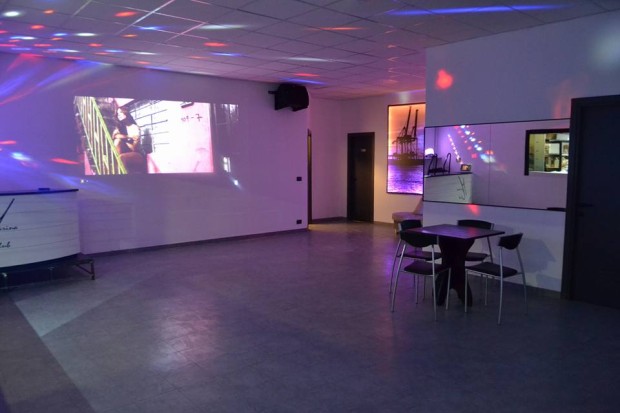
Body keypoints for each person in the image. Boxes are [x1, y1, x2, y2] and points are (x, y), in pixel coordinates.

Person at [112, 107, 146, 173]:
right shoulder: (121, 127)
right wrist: (128, 137)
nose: (119, 115)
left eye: (121, 112)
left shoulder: (134, 127)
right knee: (117, 141)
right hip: (126, 151)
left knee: (121, 157)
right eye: (118, 114)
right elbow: (114, 136)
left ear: (126, 113)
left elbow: (134, 148)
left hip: (138, 154)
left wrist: (124, 140)